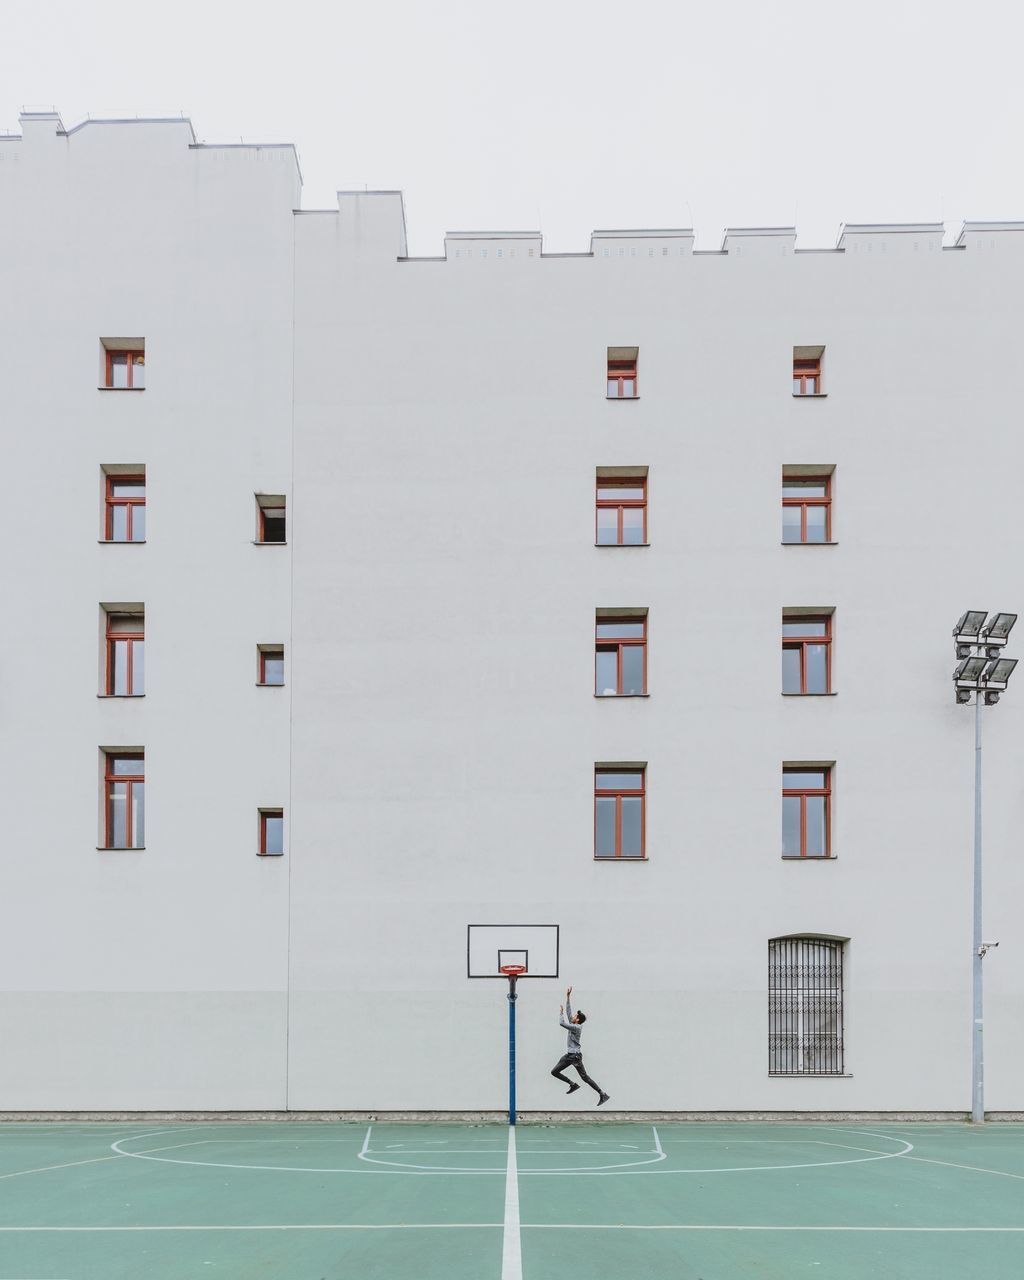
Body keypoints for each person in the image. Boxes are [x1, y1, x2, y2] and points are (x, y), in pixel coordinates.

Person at [551, 985, 610, 1106]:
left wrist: (560, 1013)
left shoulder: (576, 1027)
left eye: (574, 1017)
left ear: (577, 1020)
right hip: (570, 1055)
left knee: (585, 1077)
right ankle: (573, 1084)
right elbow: (569, 1013)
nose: (572, 1017)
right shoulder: (575, 1024)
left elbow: (562, 1023)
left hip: (575, 1057)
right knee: (554, 1071)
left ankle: (602, 1094)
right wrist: (568, 997)